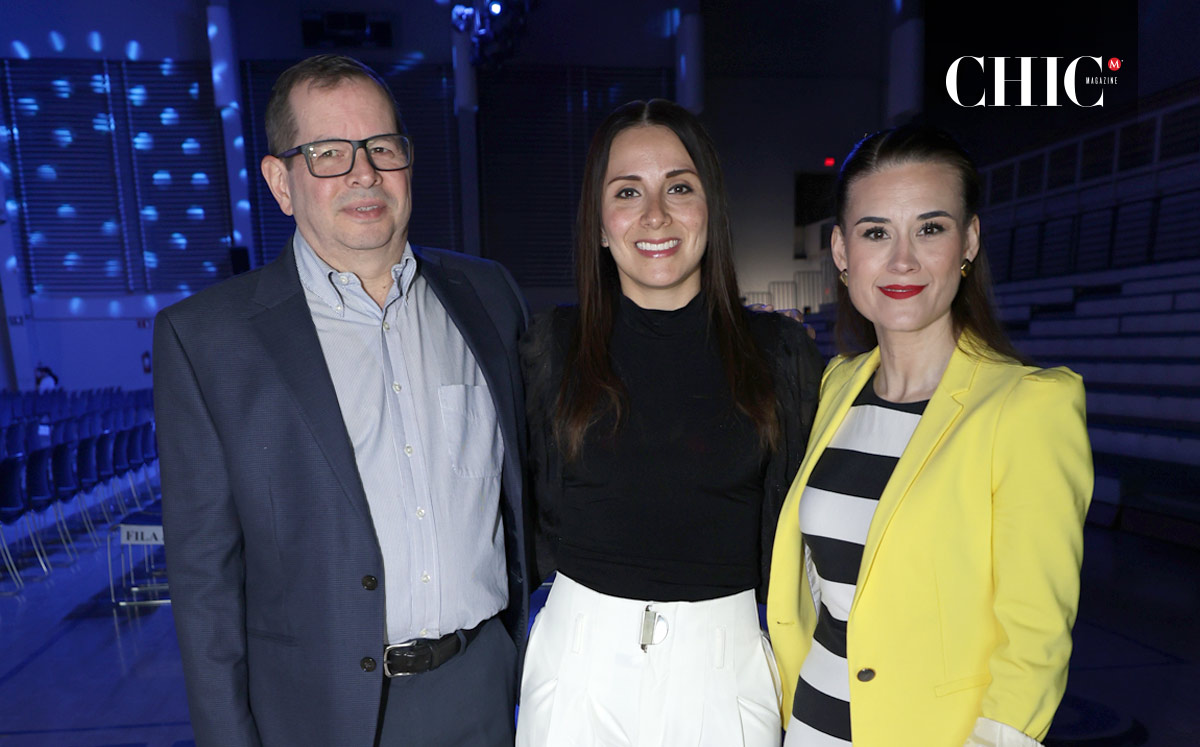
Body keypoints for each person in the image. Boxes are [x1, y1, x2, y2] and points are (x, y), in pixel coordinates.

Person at [153, 54, 532, 747]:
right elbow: (204, 586)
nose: (363, 173)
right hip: (317, 716)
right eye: (327, 153)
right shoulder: (207, 340)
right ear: (281, 182)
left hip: (481, 689)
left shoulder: (489, 297)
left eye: (382, 148)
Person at [766, 125, 1093, 747]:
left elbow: (1034, 640)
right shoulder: (838, 385)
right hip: (808, 726)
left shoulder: (1028, 407)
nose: (902, 260)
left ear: (968, 240)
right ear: (841, 251)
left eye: (931, 228)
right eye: (876, 233)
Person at [518, 99, 824, 746]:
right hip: (577, 664)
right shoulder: (550, 346)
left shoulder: (779, 354)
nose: (655, 215)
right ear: (600, 224)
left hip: (724, 666)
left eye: (679, 188)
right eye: (627, 191)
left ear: (710, 207)